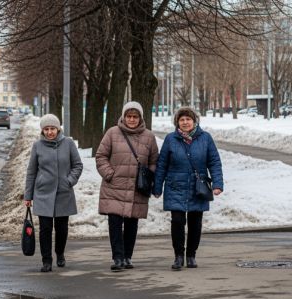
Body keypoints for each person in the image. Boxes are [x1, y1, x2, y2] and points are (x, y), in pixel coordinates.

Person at [153, 107, 224, 270]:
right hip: (175, 186)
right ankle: (178, 256)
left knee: (195, 222)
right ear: (177, 122)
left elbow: (214, 161)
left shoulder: (205, 138)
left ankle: (191, 255)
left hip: (197, 187)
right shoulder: (170, 139)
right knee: (177, 221)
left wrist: (218, 184)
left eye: (188, 119)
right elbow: (162, 164)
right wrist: (157, 186)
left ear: (194, 121)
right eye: (182, 119)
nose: (185, 122)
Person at [96, 101, 159, 271]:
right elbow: (101, 156)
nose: (132, 119)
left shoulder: (149, 137)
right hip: (114, 187)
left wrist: (148, 178)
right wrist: (110, 174)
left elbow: (154, 161)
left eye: (135, 116)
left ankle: (127, 256)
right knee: (115, 223)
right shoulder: (112, 133)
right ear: (124, 117)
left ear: (140, 118)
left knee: (132, 224)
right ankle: (117, 258)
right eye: (129, 116)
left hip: (136, 188)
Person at [24, 114, 83, 272]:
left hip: (63, 193)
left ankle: (60, 253)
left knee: (62, 228)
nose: (50, 132)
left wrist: (69, 181)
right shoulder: (37, 146)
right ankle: (46, 260)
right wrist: (28, 196)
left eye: (53, 129)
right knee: (45, 228)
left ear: (58, 129)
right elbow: (31, 172)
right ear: (42, 130)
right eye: (46, 129)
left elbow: (78, 165)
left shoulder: (68, 143)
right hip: (43, 193)